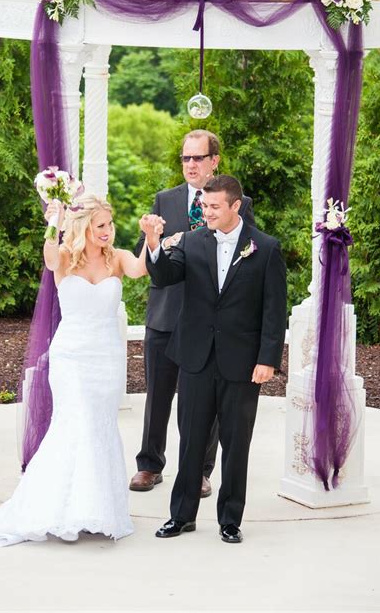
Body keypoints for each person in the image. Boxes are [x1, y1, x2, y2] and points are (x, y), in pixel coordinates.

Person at [0, 195, 156, 546]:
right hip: (71, 358)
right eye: (100, 225)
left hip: (106, 360)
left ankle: (97, 509)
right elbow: (49, 256)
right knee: (75, 424)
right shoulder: (65, 257)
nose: (108, 231)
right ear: (84, 227)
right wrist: (55, 221)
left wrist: (151, 239)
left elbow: (141, 269)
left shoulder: (117, 258)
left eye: (110, 225)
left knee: (99, 427)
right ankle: (61, 509)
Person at [142, 175, 286, 543]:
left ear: (236, 206)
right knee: (190, 440)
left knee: (236, 445)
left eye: (214, 207)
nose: (206, 212)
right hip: (195, 358)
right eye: (204, 206)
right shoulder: (191, 241)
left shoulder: (265, 248)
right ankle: (181, 516)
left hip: (242, 363)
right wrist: (154, 243)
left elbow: (273, 310)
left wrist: (267, 359)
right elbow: (163, 277)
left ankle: (230, 520)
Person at [129, 130, 254, 498]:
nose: (191, 165)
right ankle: (149, 464)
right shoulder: (164, 200)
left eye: (198, 158)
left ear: (214, 160)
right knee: (158, 395)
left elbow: (249, 251)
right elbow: (145, 253)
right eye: (186, 158)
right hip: (165, 314)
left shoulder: (238, 203)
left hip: (210, 321)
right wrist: (162, 241)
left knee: (206, 402)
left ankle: (200, 470)